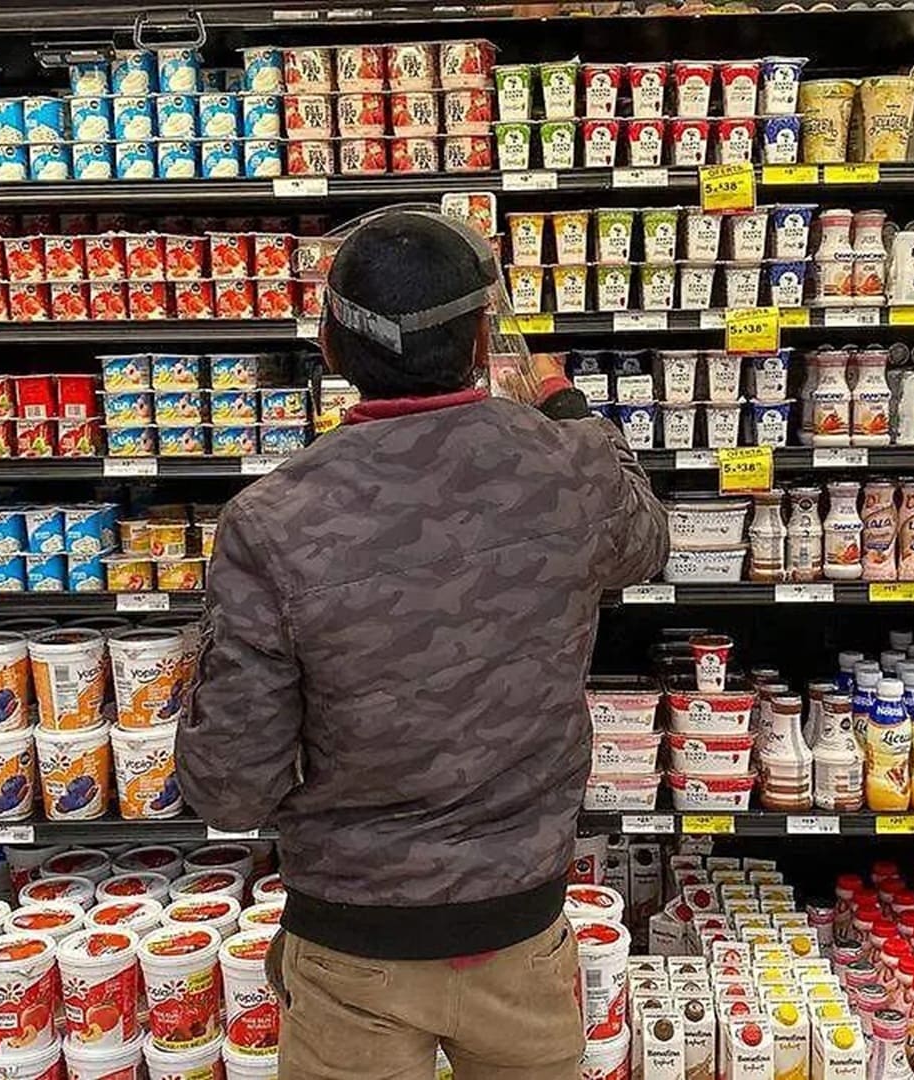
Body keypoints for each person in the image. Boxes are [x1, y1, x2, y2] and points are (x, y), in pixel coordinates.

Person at [178, 209, 668, 1079]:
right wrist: (562, 403)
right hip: (522, 933)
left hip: (351, 947)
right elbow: (645, 542)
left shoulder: (271, 521)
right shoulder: (571, 467)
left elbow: (230, 785)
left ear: (331, 345)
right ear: (485, 336)